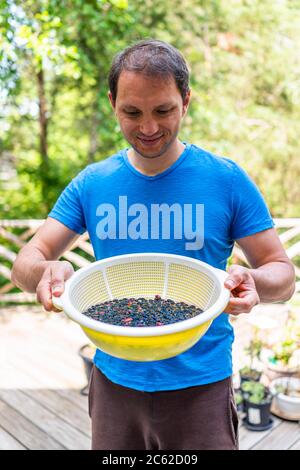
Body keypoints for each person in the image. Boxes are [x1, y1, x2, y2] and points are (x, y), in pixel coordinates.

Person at [11, 39, 295, 451]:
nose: (147, 127)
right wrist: (44, 271)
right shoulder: (93, 183)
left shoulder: (226, 180)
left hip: (202, 385)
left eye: (163, 110)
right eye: (132, 112)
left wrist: (255, 281)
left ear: (186, 100)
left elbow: (282, 274)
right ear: (112, 103)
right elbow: (25, 263)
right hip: (113, 382)